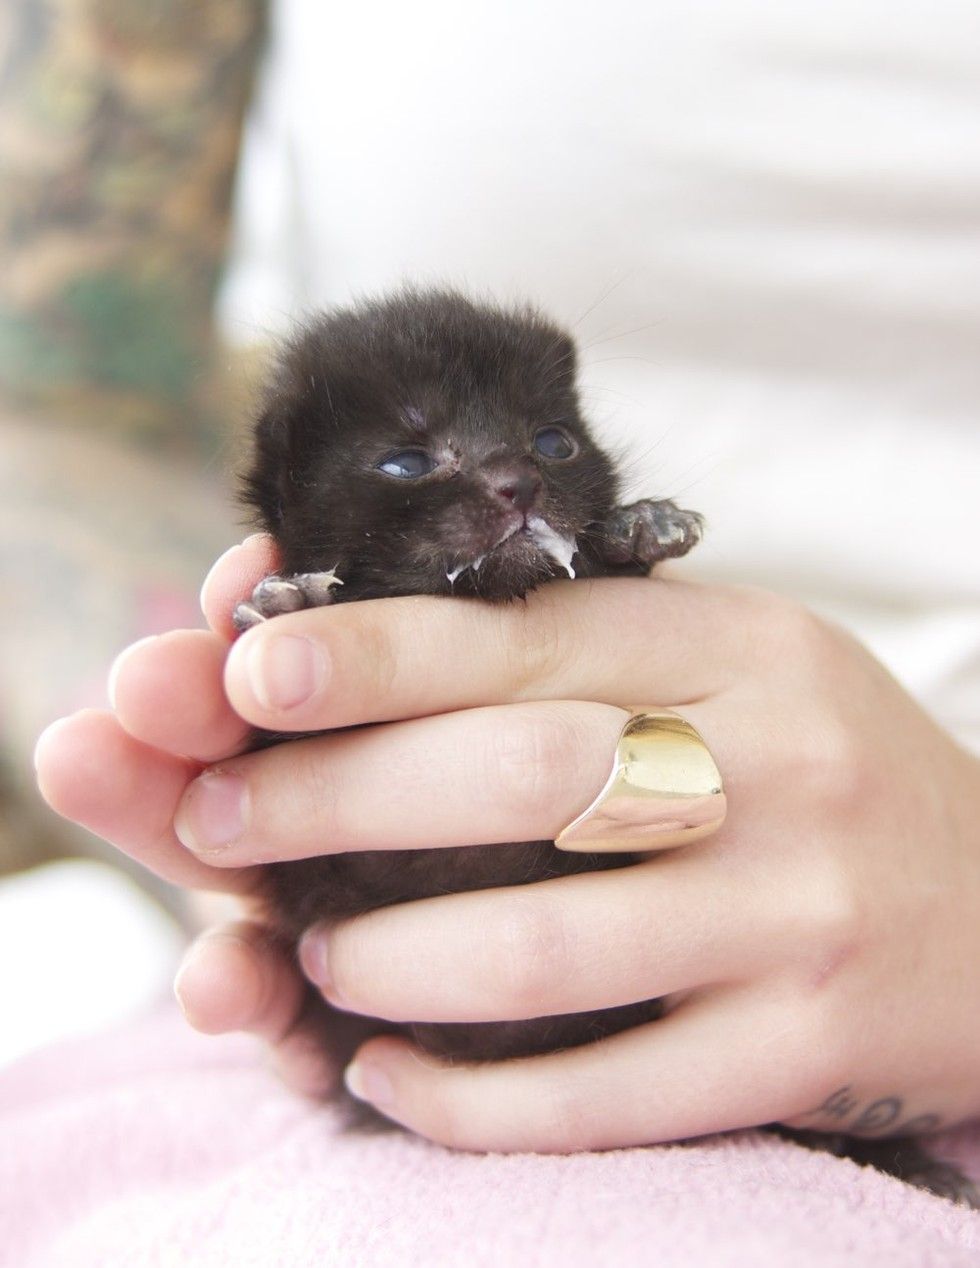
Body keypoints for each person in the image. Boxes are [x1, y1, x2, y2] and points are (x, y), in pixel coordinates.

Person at [32, 0, 980, 1167]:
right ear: (285, 487)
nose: (509, 481)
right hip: (388, 1058)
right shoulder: (312, 602)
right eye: (408, 459)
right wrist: (206, 776)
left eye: (546, 448)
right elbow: (45, 401)